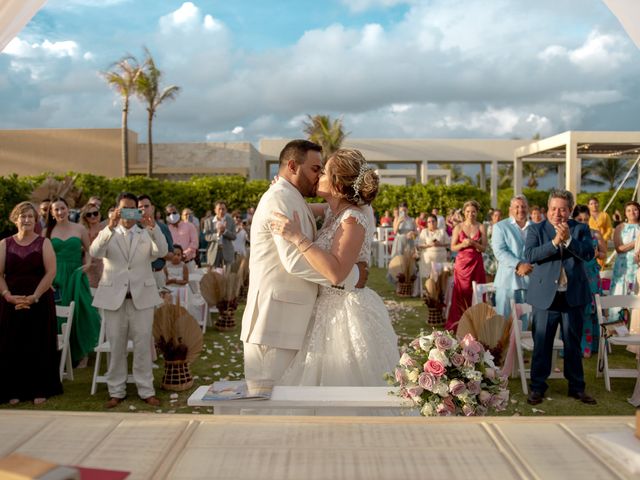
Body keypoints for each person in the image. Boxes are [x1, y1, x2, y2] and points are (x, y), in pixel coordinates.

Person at [270, 148, 398, 386]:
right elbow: (298, 207)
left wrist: (299, 238)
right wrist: (283, 187)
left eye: (324, 173)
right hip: (323, 309)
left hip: (346, 313)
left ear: (338, 186)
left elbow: (336, 273)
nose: (318, 177)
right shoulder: (333, 211)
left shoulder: (353, 219)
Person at [240, 140, 361, 387]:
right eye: (316, 169)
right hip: (274, 324)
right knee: (263, 405)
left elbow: (333, 213)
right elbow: (294, 262)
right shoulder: (280, 198)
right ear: (293, 166)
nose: (319, 176)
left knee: (284, 404)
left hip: (291, 321)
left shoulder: (291, 197)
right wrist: (348, 276)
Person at [90, 192, 168, 408]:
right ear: (117, 209)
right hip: (114, 299)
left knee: (143, 345)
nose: (130, 212)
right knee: (116, 346)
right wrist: (109, 226)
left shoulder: (147, 233)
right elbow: (95, 251)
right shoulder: (108, 233)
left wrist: (153, 228)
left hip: (141, 298)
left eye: (134, 208)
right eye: (124, 208)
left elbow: (162, 251)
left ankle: (146, 390)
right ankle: (116, 391)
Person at [523, 189, 596, 406]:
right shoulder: (536, 229)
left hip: (573, 296)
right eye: (554, 208)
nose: (558, 213)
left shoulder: (581, 229)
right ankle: (537, 388)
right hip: (546, 297)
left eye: (562, 209)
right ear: (547, 209)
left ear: (570, 210)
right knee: (542, 343)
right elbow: (530, 255)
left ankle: (577, 388)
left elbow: (588, 254)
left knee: (572, 344)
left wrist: (569, 240)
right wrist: (555, 241)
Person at [0, 202, 62, 405]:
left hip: (39, 300)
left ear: (36, 221)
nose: (26, 220)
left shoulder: (44, 243)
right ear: (15, 219)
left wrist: (34, 296)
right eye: (22, 216)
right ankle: (13, 390)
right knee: (12, 344)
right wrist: (8, 295)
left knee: (38, 343)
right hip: (10, 302)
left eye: (30, 217)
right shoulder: (4, 244)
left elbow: (51, 272)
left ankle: (40, 388)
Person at [46, 197, 101, 368]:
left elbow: (89, 249)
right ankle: (60, 354)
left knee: (81, 312)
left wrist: (88, 263)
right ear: (52, 213)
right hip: (56, 276)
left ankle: (83, 354)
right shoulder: (47, 231)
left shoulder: (79, 228)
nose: (60, 212)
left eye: (62, 208)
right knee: (57, 316)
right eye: (56, 209)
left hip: (76, 275)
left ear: (68, 209)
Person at [446, 200, 487, 331]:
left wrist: (474, 244)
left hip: (476, 263)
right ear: (464, 212)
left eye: (473, 211)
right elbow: (453, 247)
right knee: (461, 293)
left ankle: (477, 324)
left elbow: (484, 248)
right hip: (462, 264)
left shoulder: (481, 227)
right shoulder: (458, 228)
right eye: (468, 211)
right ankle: (458, 324)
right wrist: (463, 244)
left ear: (477, 212)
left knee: (477, 292)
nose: (471, 214)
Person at [572, 204, 606, 358]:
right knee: (576, 310)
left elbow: (604, 254)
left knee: (590, 311)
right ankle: (574, 345)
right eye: (580, 219)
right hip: (576, 276)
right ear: (574, 219)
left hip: (592, 276)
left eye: (586, 219)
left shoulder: (595, 234)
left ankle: (589, 346)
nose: (583, 222)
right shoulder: (570, 234)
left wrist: (598, 253)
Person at [491, 195, 532, 320]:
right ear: (510, 209)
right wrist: (519, 264)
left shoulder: (535, 227)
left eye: (523, 206)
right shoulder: (500, 227)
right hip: (506, 281)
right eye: (517, 207)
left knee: (523, 324)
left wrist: (530, 267)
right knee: (503, 323)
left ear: (528, 208)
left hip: (528, 281)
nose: (520, 209)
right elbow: (499, 251)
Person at [138, 195, 173, 289]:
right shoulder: (133, 229)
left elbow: (171, 255)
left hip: (157, 274)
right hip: (139, 276)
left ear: (152, 208)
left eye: (146, 206)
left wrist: (156, 252)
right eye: (140, 207)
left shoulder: (162, 227)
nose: (143, 209)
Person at [609, 201, 640, 299]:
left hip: (638, 265)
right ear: (625, 213)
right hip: (623, 266)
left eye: (635, 210)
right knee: (621, 293)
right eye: (629, 210)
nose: (632, 212)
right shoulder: (620, 227)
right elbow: (619, 249)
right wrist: (637, 241)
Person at [165, 203, 199, 271]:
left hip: (188, 264)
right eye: (169, 214)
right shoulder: (166, 229)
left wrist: (184, 255)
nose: (172, 215)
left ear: (178, 213)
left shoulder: (190, 226)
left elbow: (194, 243)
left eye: (174, 212)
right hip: (172, 266)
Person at [203, 201, 236, 268]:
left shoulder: (231, 221)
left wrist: (224, 231)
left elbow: (234, 236)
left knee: (227, 275)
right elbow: (206, 237)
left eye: (223, 209)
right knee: (214, 275)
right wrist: (217, 234)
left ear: (226, 210)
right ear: (215, 210)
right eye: (219, 209)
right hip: (213, 252)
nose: (221, 211)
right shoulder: (208, 221)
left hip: (227, 252)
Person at [80, 202, 104, 289]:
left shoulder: (106, 229)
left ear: (99, 214)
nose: (93, 216)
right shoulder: (82, 231)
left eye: (95, 213)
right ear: (85, 217)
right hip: (88, 266)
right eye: (89, 214)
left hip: (104, 265)